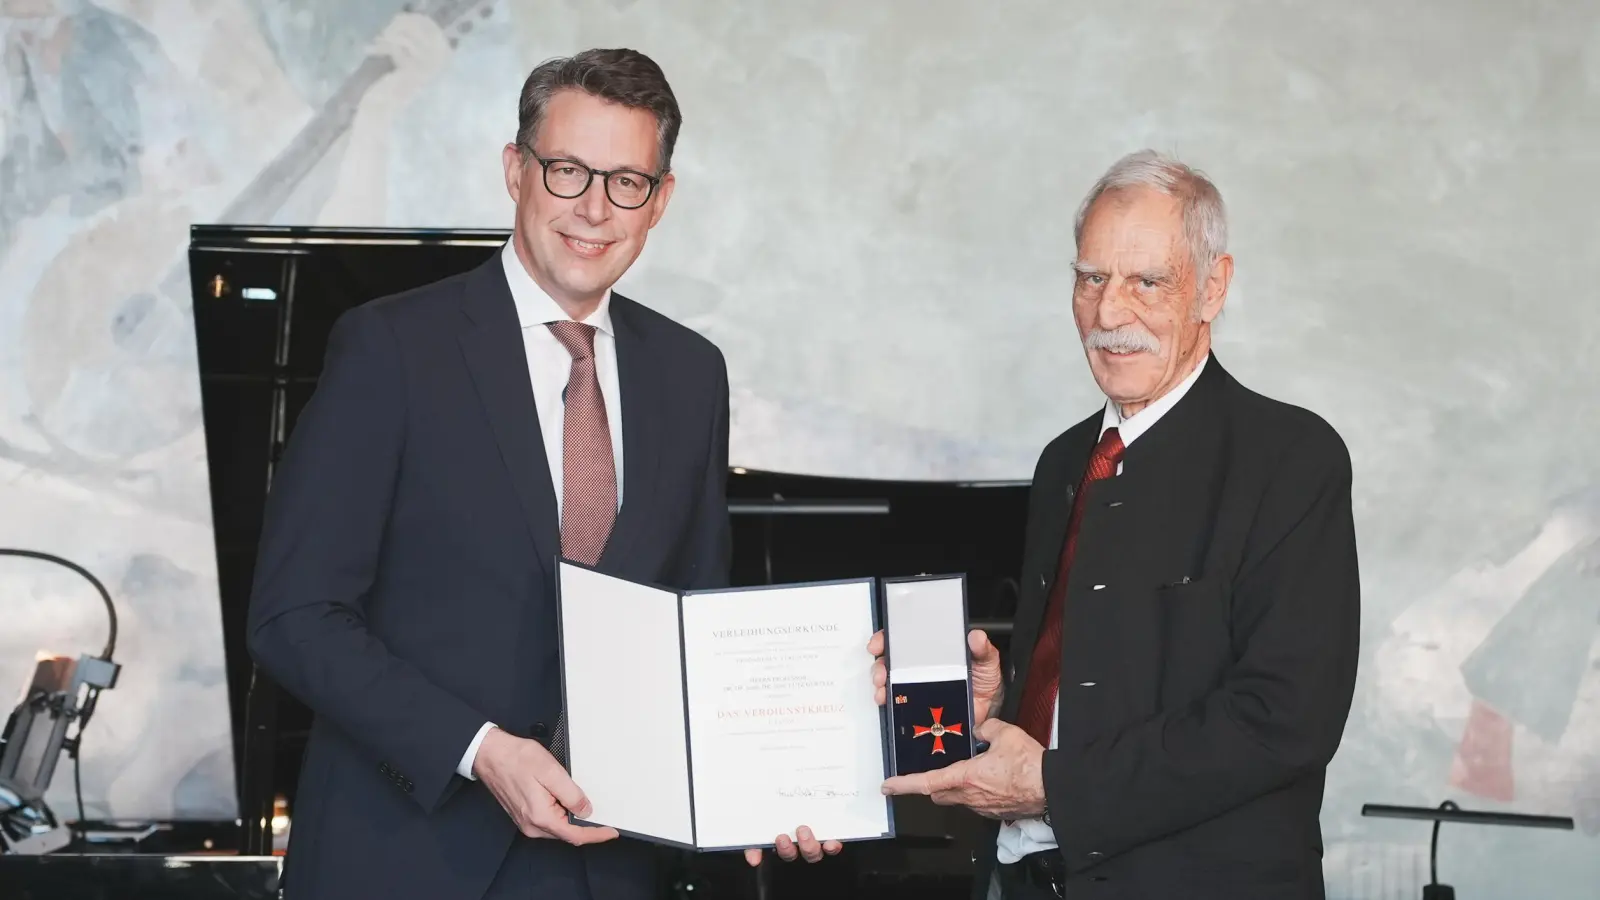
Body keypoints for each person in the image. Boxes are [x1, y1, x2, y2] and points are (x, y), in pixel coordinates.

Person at [246, 48, 833, 900]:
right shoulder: (392, 349)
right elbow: (293, 616)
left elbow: (696, 627)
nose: (594, 208)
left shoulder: (691, 373)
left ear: (661, 200)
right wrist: (480, 750)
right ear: (516, 170)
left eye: (626, 181)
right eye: (567, 171)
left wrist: (765, 780)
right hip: (407, 862)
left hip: (611, 866)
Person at [877, 149, 1361, 899]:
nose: (1109, 314)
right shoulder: (1065, 461)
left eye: (1147, 282)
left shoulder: (1291, 458)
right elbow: (1095, 686)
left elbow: (1284, 719)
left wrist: (1052, 785)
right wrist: (995, 706)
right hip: (1028, 879)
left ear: (1213, 287)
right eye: (1091, 278)